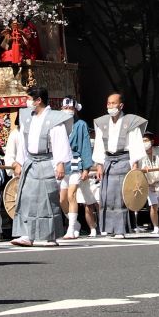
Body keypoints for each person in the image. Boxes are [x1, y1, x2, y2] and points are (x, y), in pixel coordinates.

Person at [6, 86, 71, 248]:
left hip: (47, 161)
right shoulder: (26, 117)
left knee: (47, 199)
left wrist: (60, 163)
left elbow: (60, 142)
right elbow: (23, 141)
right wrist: (19, 162)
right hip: (30, 161)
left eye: (29, 99)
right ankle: (27, 234)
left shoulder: (54, 119)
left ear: (38, 100)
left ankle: (50, 236)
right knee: (26, 198)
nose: (27, 102)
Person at [92, 92, 147, 238]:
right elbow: (98, 144)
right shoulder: (102, 122)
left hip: (124, 160)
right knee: (106, 196)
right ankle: (109, 228)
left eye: (113, 103)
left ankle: (120, 229)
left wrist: (135, 165)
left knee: (120, 196)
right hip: (108, 161)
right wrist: (99, 163)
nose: (110, 106)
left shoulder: (131, 122)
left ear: (121, 105)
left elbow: (135, 144)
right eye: (108, 103)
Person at [59, 96, 97, 241]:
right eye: (66, 108)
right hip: (62, 163)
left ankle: (71, 227)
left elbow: (85, 145)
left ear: (75, 109)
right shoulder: (58, 124)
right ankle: (75, 224)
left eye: (70, 108)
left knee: (72, 195)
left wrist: (86, 167)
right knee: (62, 199)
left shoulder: (81, 124)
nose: (68, 110)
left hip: (76, 161)